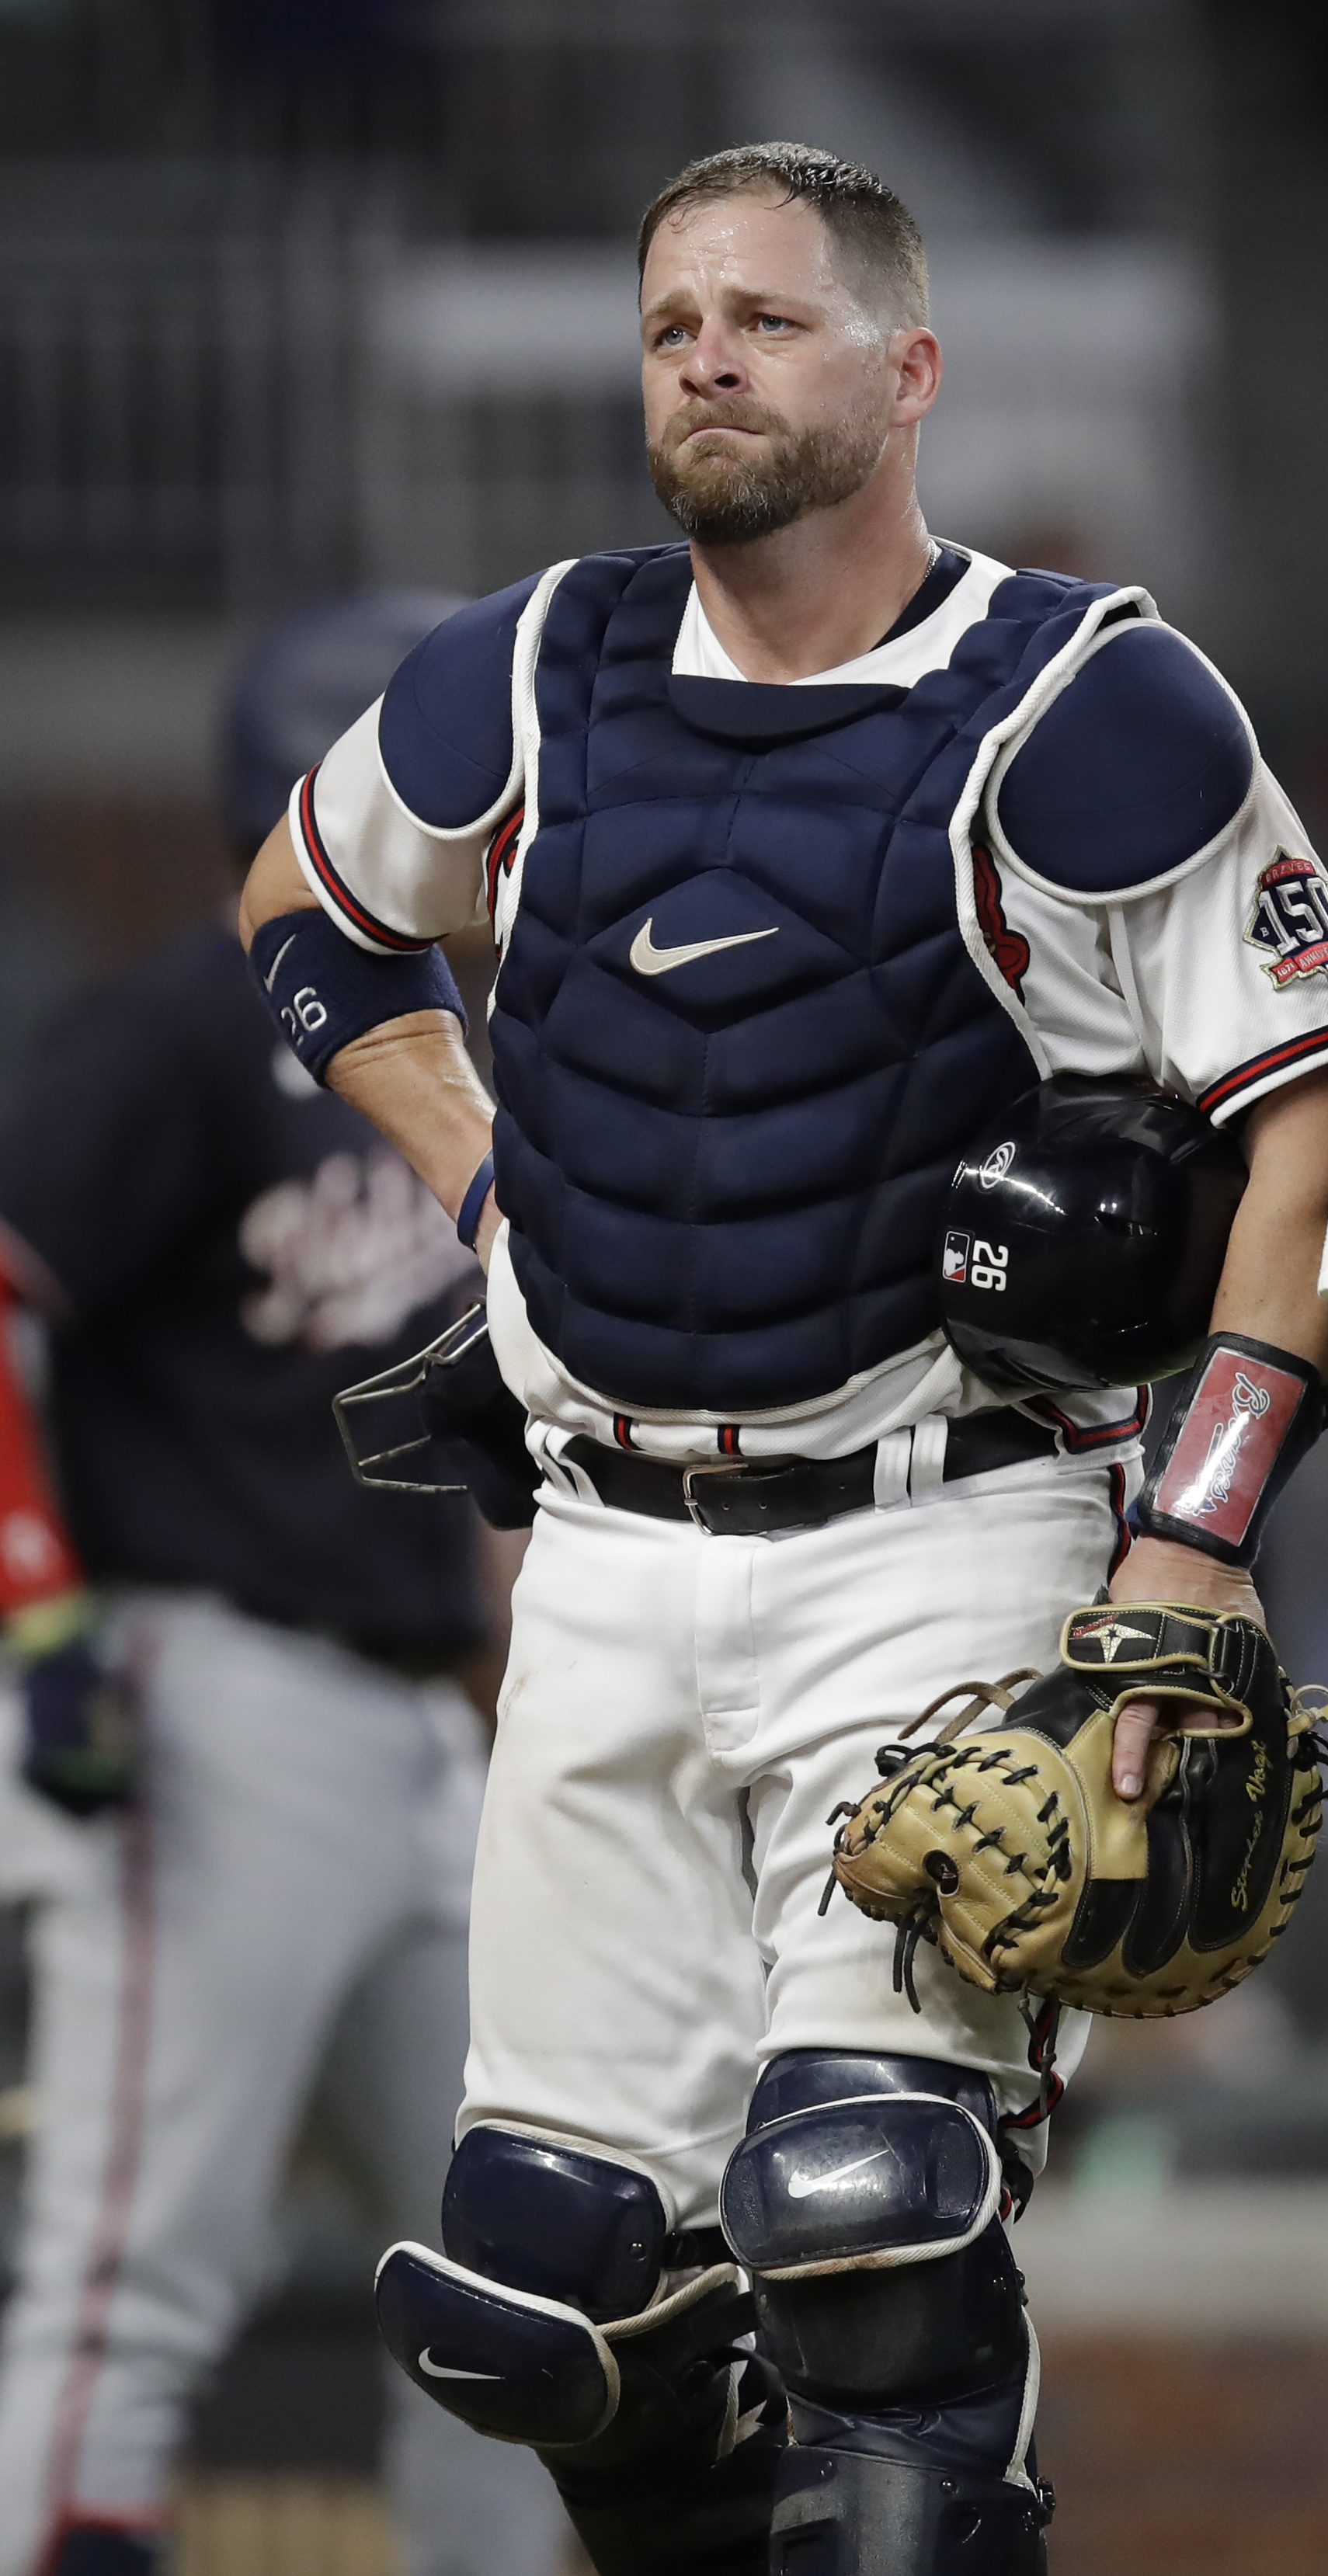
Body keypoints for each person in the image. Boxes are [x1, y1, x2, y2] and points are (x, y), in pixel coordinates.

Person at [233, 143, 1328, 2576]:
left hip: (942, 1539)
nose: (710, 356)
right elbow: (310, 918)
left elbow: (1317, 1125)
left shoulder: (1085, 701)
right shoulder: (533, 665)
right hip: (603, 1557)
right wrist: (485, 1178)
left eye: (767, 314)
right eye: (670, 325)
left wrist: (1196, 1533)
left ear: (908, 366)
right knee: (534, 2300)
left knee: (863, 2222)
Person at [0, 599, 565, 2576]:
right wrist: (38, 1612)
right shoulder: (173, 1028)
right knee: (132, 2276)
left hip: (418, 1729)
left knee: (518, 2296)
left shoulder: (453, 1052)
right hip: (212, 1696)